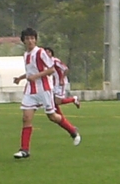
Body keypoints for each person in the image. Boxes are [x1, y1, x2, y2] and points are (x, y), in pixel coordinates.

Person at [12, 28, 81, 159]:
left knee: (52, 117)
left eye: (32, 38)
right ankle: (24, 150)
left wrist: (36, 76)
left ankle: (72, 130)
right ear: (23, 41)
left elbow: (51, 70)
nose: (30, 41)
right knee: (26, 118)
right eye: (27, 38)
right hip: (30, 90)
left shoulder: (40, 52)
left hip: (44, 89)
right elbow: (30, 72)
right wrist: (20, 78)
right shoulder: (26, 55)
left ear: (35, 40)